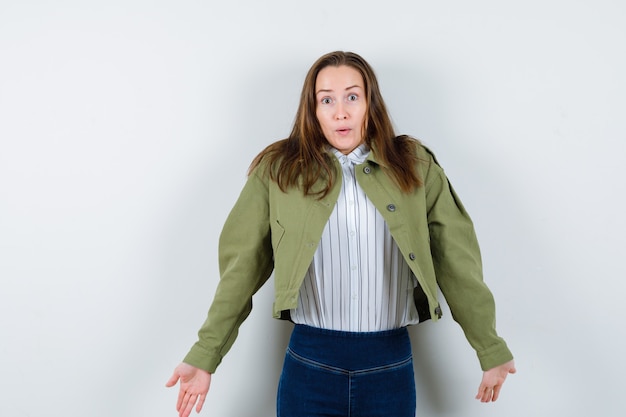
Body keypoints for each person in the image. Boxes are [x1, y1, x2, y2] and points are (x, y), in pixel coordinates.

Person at [166, 51, 515, 417]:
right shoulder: (278, 171)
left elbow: (456, 259)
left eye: (352, 96)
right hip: (310, 364)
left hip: (389, 365)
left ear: (370, 103)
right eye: (326, 100)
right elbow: (241, 268)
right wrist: (205, 356)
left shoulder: (415, 165)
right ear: (312, 109)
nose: (340, 112)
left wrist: (489, 348)